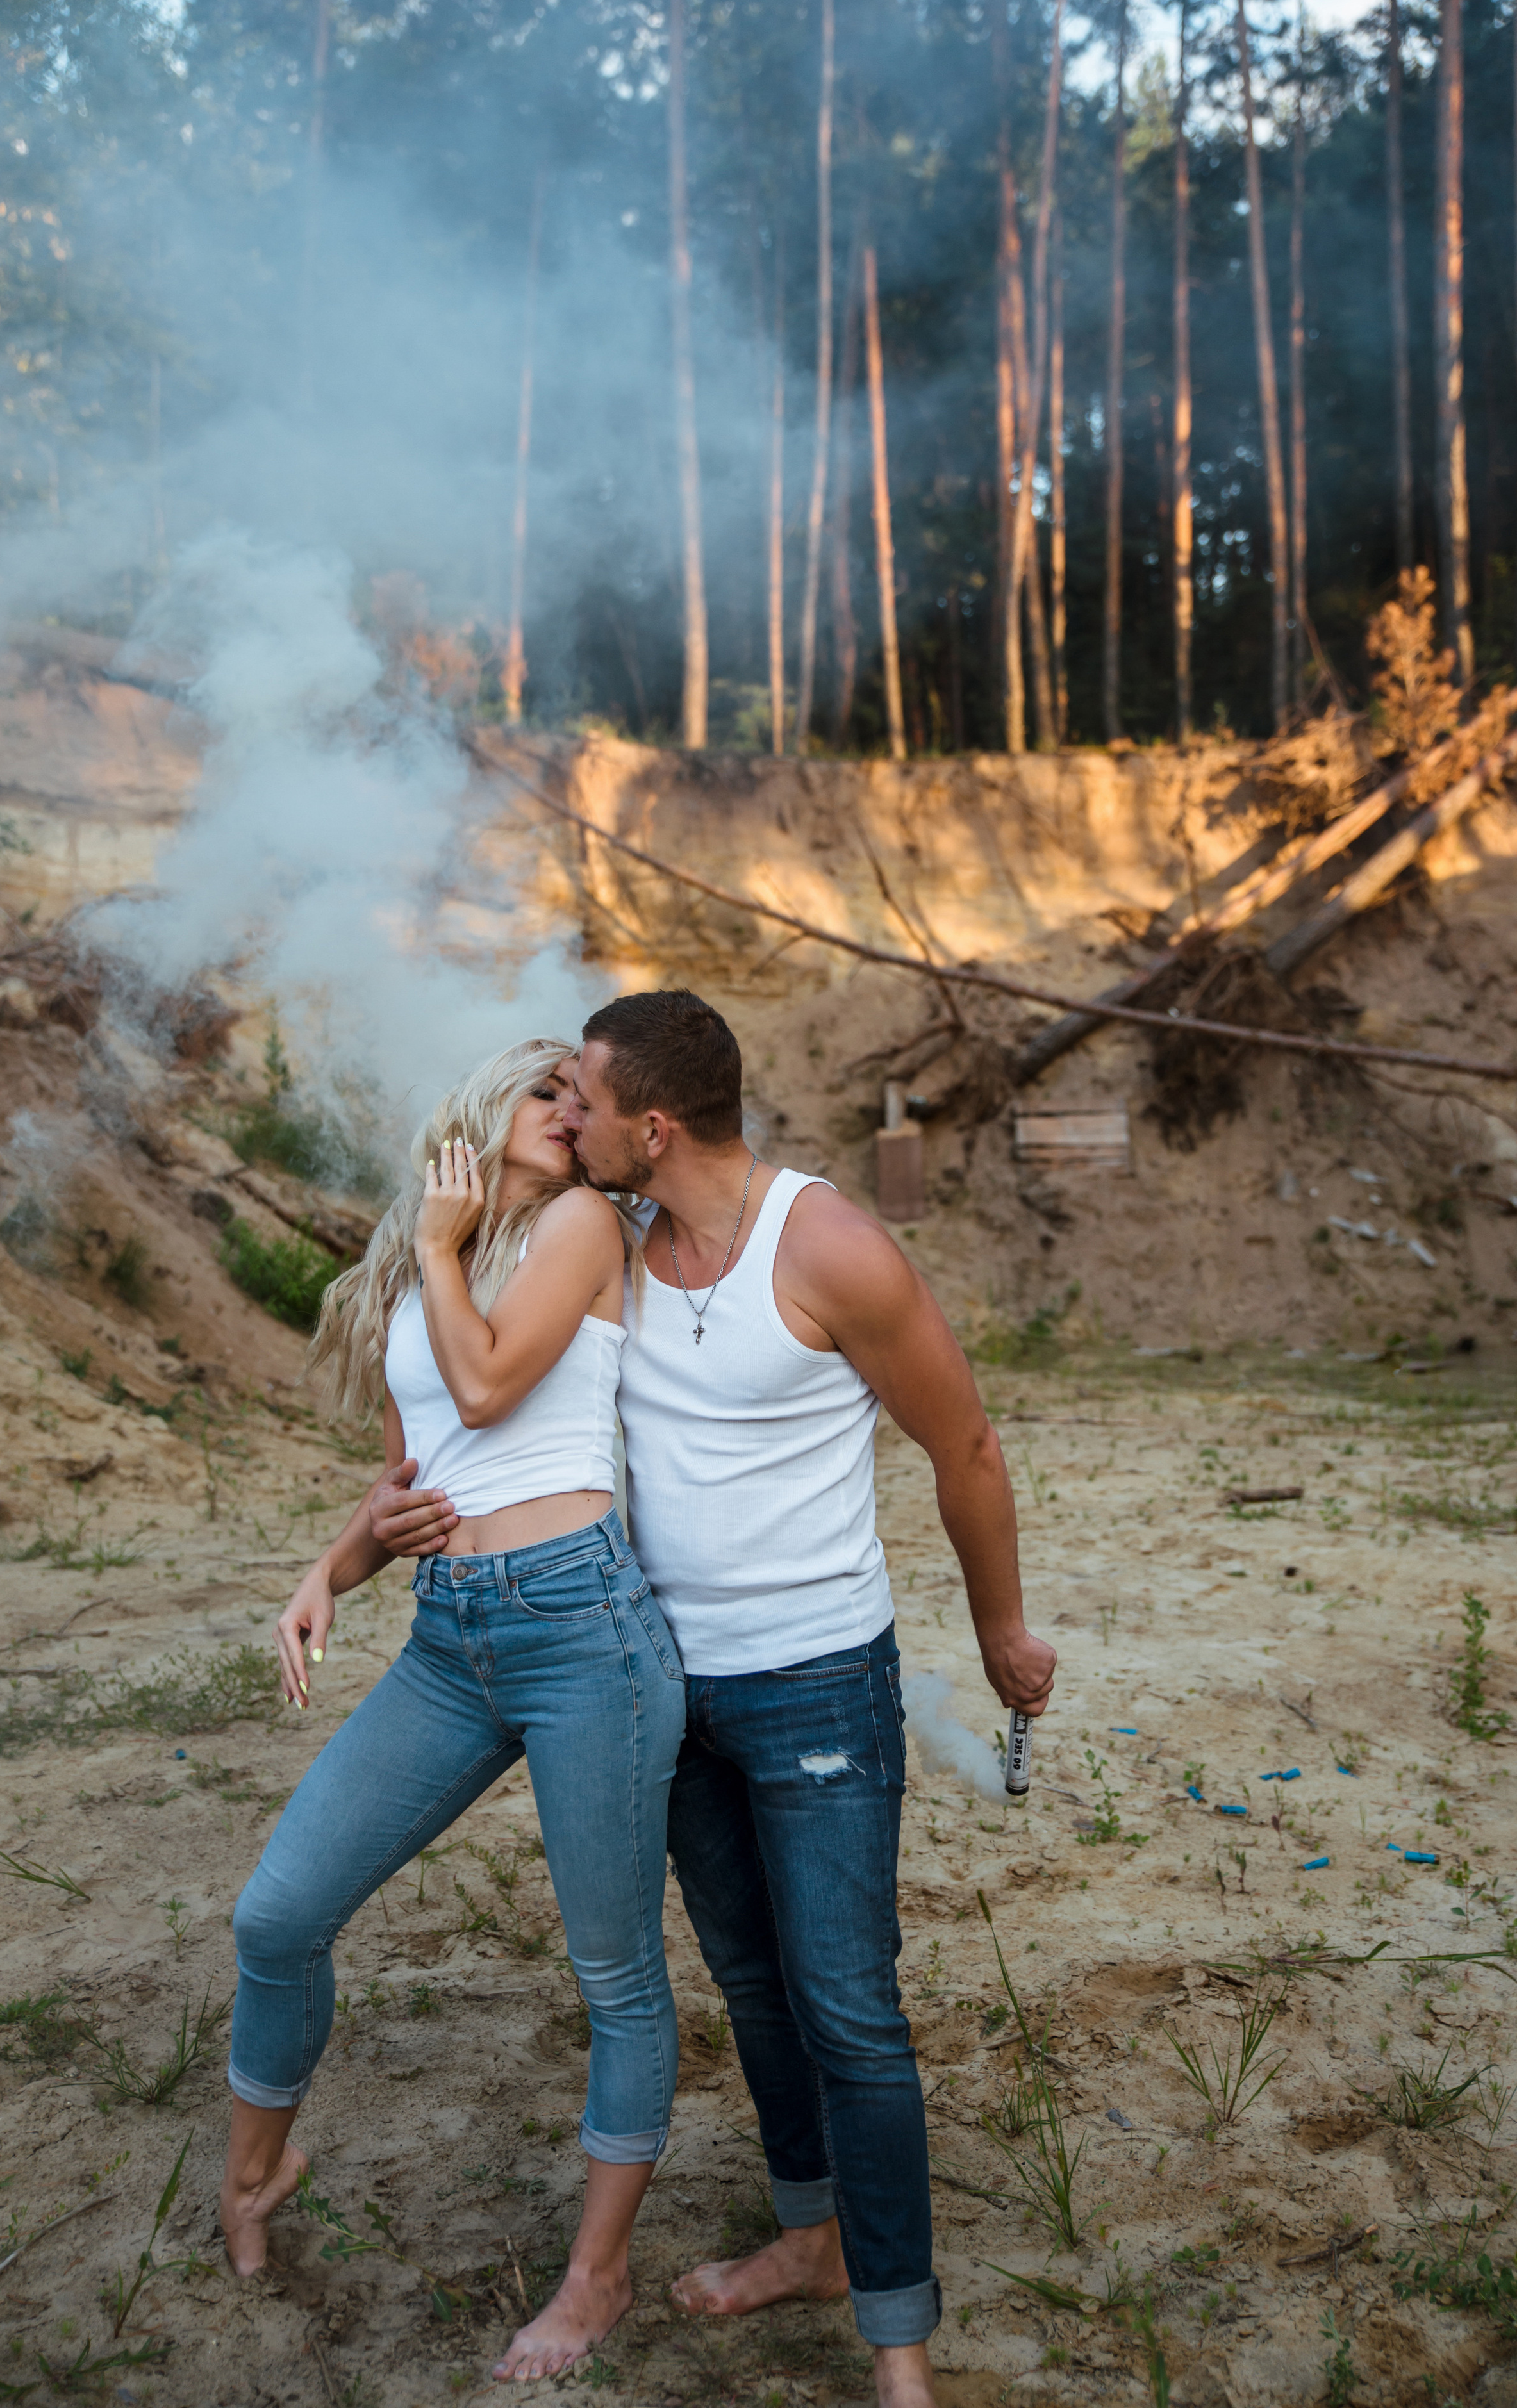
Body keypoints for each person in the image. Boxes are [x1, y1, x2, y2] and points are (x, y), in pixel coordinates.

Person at [560, 990, 1057, 2408]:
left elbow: (960, 1442)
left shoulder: (825, 1242)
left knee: (848, 2008)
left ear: (652, 1127)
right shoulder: (609, 1250)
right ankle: (810, 2239)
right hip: (664, 1693)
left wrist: (1001, 1626)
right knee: (756, 1995)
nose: (570, 1118)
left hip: (818, 1681)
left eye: (585, 1099)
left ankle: (897, 2347)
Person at [218, 1039, 686, 2387]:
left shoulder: (582, 1225)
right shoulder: (413, 1283)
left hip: (581, 1627)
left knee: (613, 1975)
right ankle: (256, 2175)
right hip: (452, 1639)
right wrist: (329, 1569)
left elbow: (492, 1390)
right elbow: (415, 1488)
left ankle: (597, 2277)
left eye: (578, 1094)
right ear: (477, 1116)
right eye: (541, 1089)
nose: (567, 1110)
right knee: (279, 1912)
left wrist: (437, 1245)